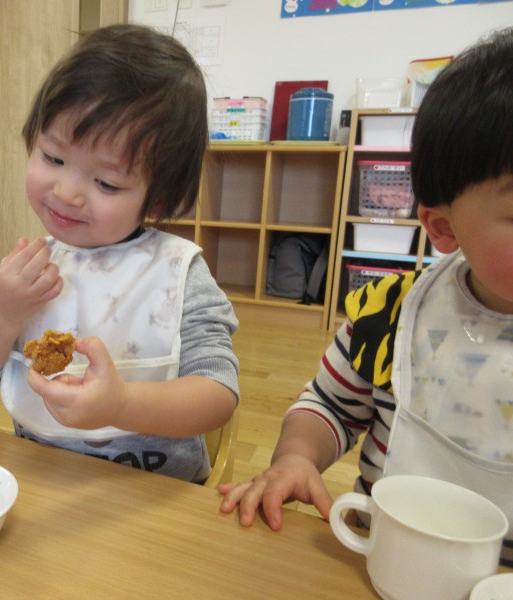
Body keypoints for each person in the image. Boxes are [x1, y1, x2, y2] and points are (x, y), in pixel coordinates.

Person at [219, 26, 513, 567]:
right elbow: (329, 404)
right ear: (443, 227)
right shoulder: (391, 314)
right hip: (384, 558)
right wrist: (296, 457)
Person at [0, 24, 239, 483]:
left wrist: (122, 405)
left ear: (157, 199)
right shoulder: (28, 271)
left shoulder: (177, 273)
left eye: (106, 183)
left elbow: (218, 395)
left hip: (155, 494)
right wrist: (0, 314)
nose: (67, 192)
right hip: (40, 480)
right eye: (53, 157)